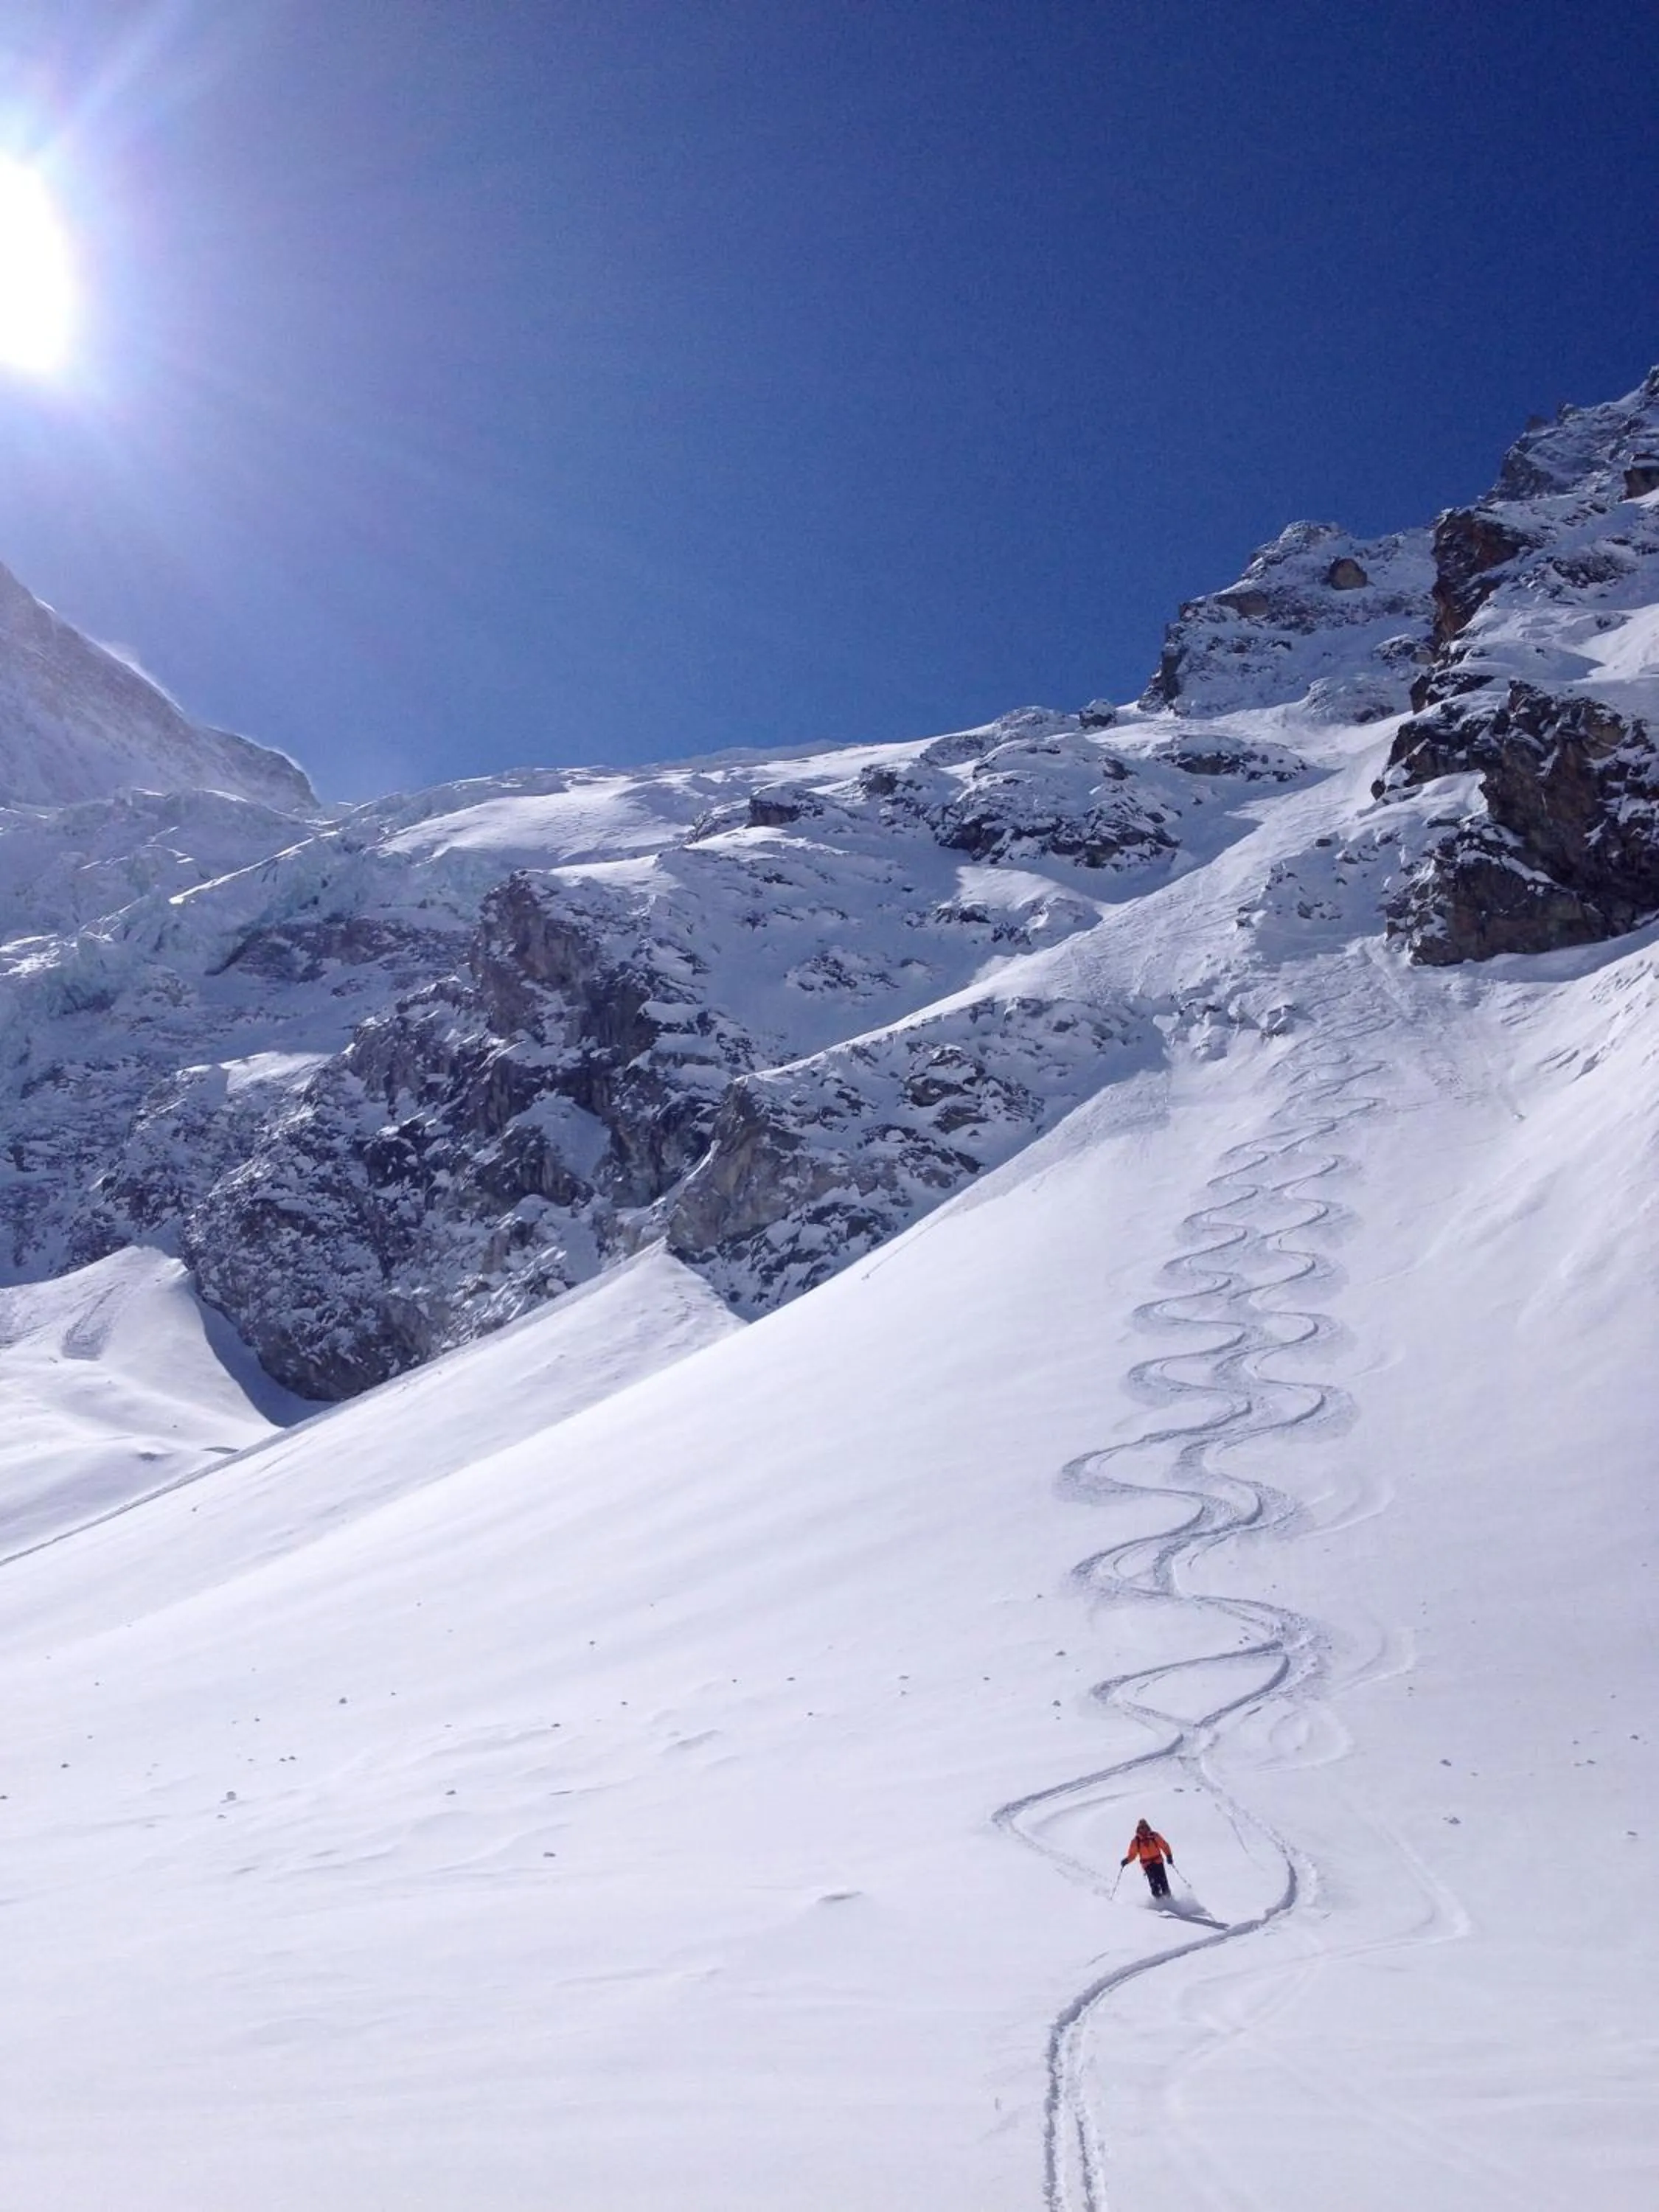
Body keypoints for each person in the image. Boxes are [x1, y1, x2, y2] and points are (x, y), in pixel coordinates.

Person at [1121, 1818, 1174, 1899]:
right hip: (1147, 1865)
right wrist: (1127, 1860)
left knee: (1163, 1882)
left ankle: (1169, 1900)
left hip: (1158, 1862)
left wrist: (1169, 1855)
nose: (1143, 1829)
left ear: (1147, 1827)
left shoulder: (1154, 1836)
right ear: (1138, 1829)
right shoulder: (1136, 1841)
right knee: (1154, 1883)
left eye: (1144, 1827)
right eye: (1141, 1827)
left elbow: (1164, 1846)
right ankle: (1159, 1902)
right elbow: (1132, 1854)